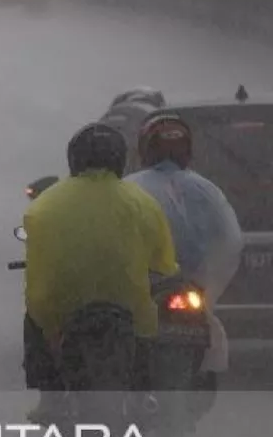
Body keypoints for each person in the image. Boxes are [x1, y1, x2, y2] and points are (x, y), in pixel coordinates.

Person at [21, 122, 179, 421]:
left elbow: (38, 270)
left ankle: (49, 400)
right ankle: (143, 397)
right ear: (120, 159)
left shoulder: (45, 205)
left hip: (66, 306)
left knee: (33, 322)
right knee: (147, 336)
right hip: (129, 306)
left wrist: (47, 316)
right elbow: (164, 263)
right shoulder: (142, 202)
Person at [125, 114, 244, 380]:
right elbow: (231, 241)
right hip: (190, 290)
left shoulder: (129, 188)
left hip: (145, 289)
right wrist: (208, 286)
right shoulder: (207, 189)